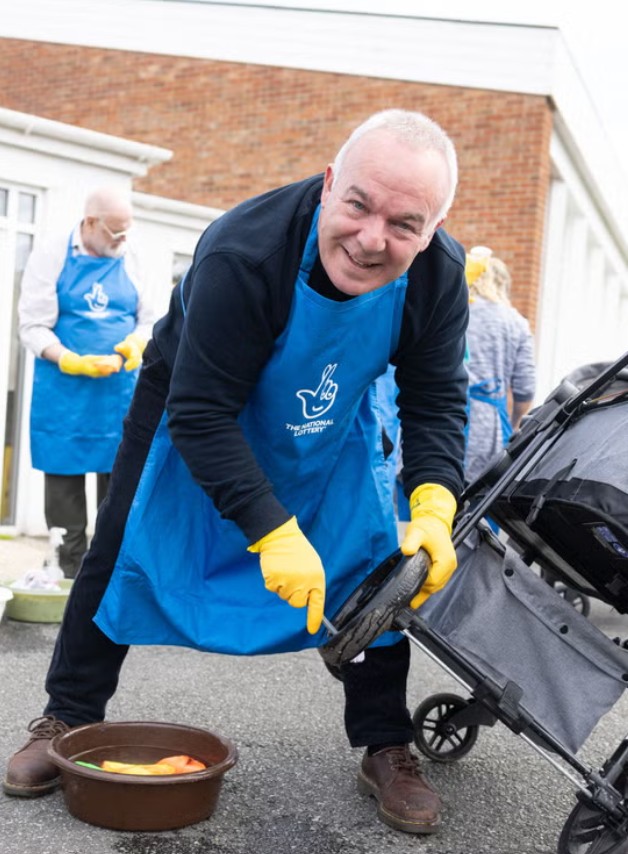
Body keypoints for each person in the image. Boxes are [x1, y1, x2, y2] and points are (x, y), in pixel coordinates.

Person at [4, 110, 469, 835]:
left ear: (434, 228)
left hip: (332, 405)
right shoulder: (244, 251)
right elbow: (201, 414)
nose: (372, 238)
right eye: (358, 205)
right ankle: (65, 715)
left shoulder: (439, 275)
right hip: (195, 395)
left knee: (379, 559)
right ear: (329, 185)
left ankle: (386, 742)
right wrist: (273, 533)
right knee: (120, 538)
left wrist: (436, 506)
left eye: (405, 224)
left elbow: (436, 400)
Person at [18, 187, 154, 577]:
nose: (123, 239)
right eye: (115, 231)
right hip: (65, 397)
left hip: (118, 397)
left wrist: (134, 345)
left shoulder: (131, 255)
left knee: (119, 494)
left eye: (127, 230)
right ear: (90, 222)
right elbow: (32, 325)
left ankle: (108, 579)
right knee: (65, 496)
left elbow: (149, 319)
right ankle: (67, 573)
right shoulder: (51, 254)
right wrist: (69, 359)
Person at [463, 246, 536, 484]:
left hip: (437, 414)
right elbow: (525, 389)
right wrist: (514, 423)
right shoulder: (516, 323)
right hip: (488, 427)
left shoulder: (450, 309)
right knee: (479, 495)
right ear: (502, 284)